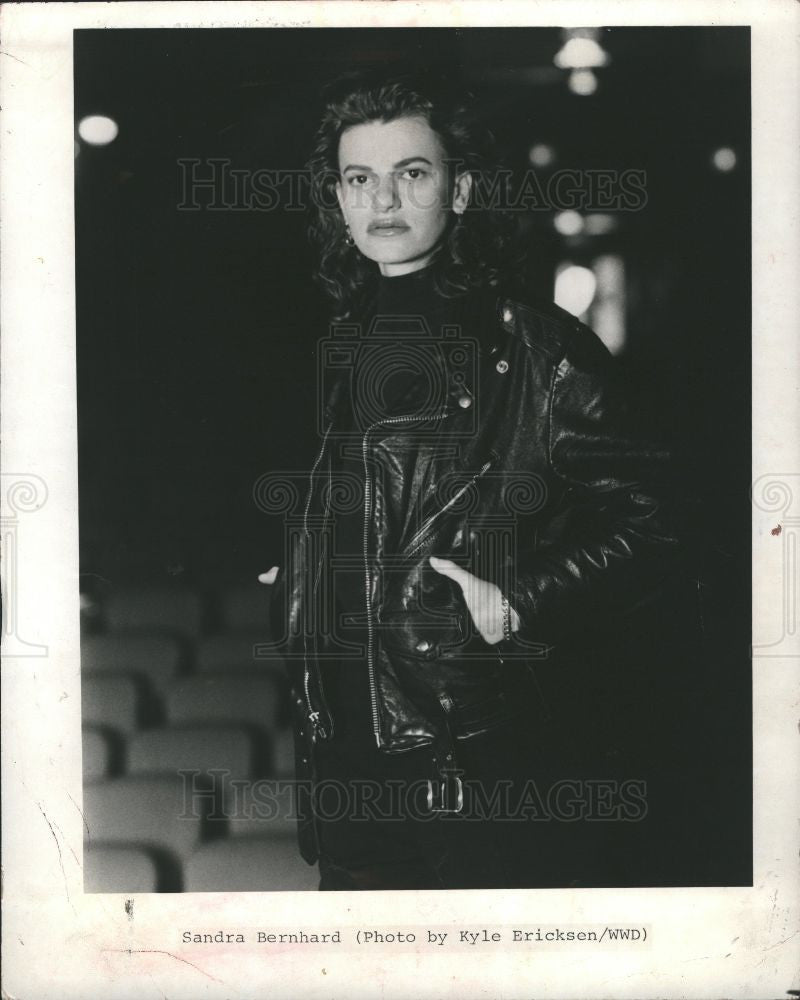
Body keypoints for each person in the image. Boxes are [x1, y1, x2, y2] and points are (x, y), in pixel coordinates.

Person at [260, 69, 684, 890]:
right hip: (341, 757)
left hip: (474, 760)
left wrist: (520, 596)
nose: (383, 199)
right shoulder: (341, 338)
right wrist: (308, 564)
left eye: (412, 173)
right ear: (339, 201)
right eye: (359, 178)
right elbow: (387, 507)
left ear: (460, 192)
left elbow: (660, 522)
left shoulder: (535, 349)